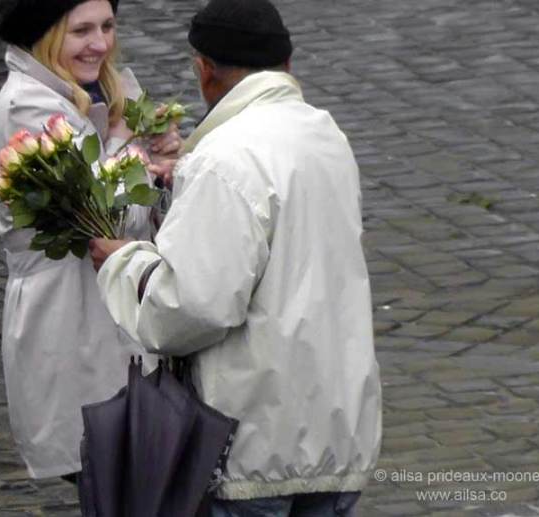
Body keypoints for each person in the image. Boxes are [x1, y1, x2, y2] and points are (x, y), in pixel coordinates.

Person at [89, 0, 382, 515]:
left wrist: (124, 264)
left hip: (251, 449)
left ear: (204, 71)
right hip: (337, 435)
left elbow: (192, 308)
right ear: (286, 65)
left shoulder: (225, 156)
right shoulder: (326, 136)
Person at [0, 0, 180, 481]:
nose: (100, 43)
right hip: (74, 334)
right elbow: (106, 217)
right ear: (46, 33)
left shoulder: (105, 94)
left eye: (108, 26)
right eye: (81, 31)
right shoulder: (30, 108)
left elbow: (149, 211)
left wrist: (173, 167)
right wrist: (134, 150)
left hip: (118, 332)